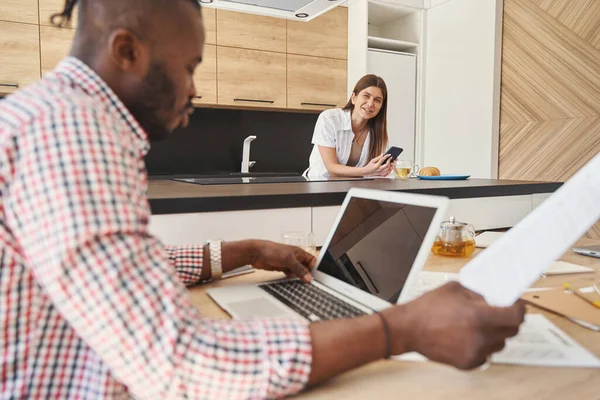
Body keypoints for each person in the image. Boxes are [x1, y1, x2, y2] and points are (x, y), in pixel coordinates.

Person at [0, 1, 525, 398]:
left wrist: (241, 250)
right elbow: (179, 364)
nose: (194, 89)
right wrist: (402, 328)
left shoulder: (55, 117)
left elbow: (107, 271)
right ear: (126, 51)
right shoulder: (71, 136)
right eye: (188, 66)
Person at [306, 74, 394, 178]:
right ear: (354, 98)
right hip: (321, 186)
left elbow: (372, 171)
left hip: (354, 188)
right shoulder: (329, 118)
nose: (370, 104)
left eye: (377, 100)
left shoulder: (378, 129)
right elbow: (332, 168)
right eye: (366, 96)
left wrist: (381, 170)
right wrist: (366, 171)